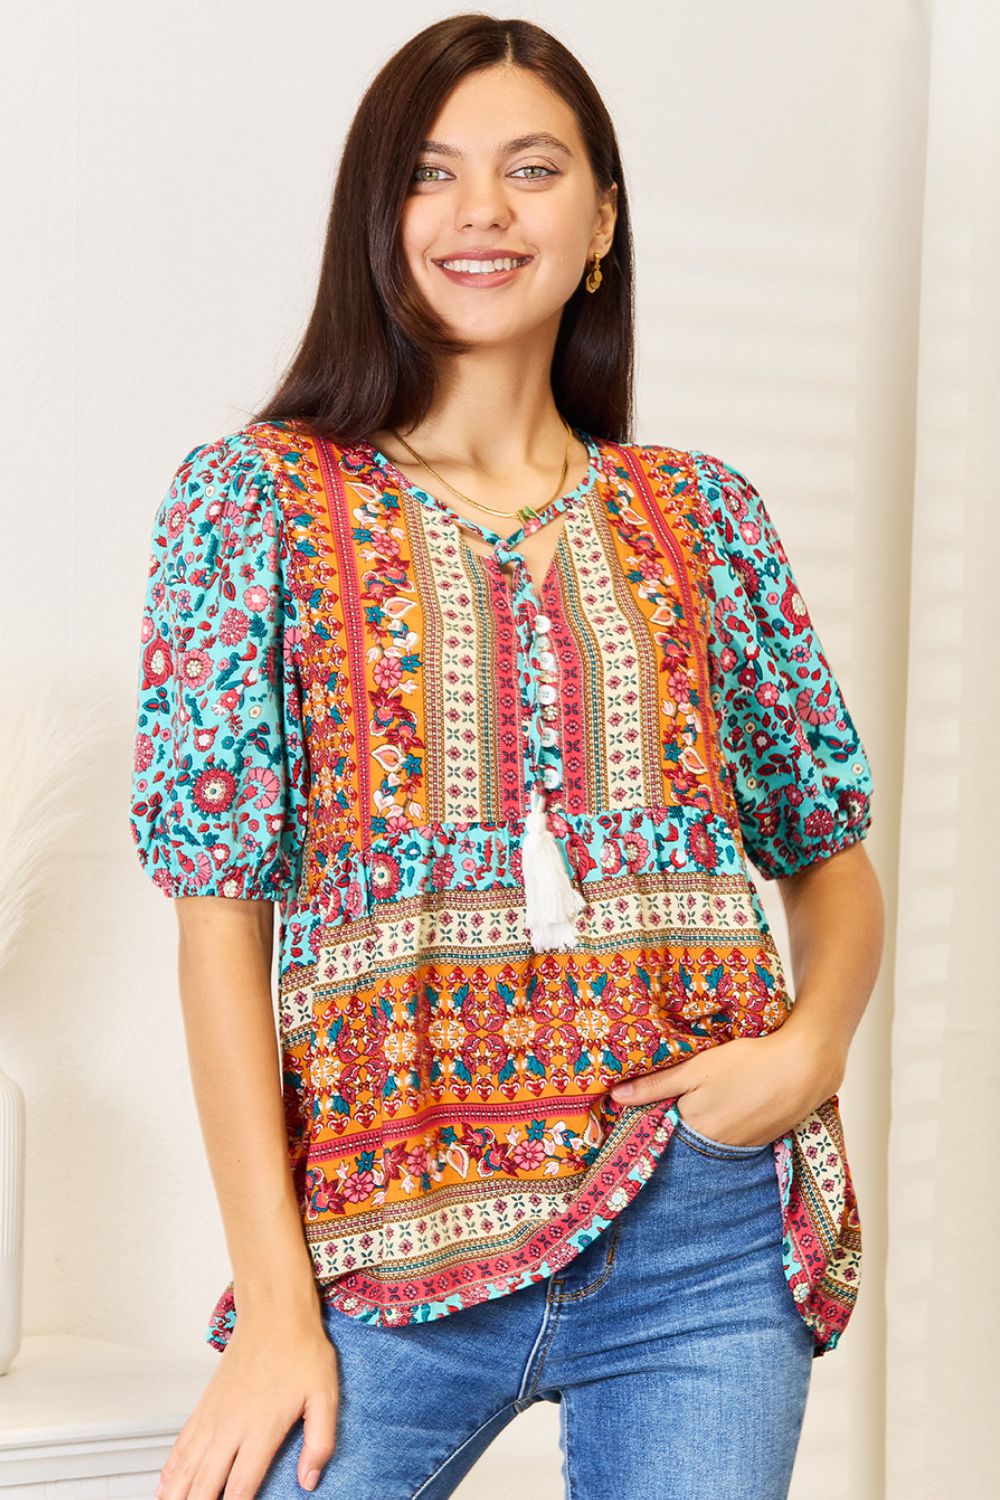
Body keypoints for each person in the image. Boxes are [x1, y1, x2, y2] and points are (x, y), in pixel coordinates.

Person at [128, 14, 884, 1499]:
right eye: (432, 174)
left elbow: (831, 852)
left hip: (700, 1244)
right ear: (378, 220)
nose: (481, 210)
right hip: (381, 1242)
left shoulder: (702, 513)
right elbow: (218, 925)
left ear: (600, 221)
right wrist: (278, 1310)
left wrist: (805, 1055)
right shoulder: (251, 504)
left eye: (531, 170)